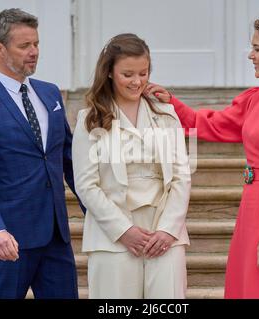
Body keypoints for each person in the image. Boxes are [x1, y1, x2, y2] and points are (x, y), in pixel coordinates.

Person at [147, 16, 259, 298]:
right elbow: (213, 124)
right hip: (251, 209)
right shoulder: (256, 98)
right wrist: (172, 103)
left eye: (257, 49)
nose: (250, 55)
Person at [0, 8, 84, 299]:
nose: (34, 52)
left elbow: (70, 161)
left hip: (56, 238)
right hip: (6, 242)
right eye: (24, 45)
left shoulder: (51, 94)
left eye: (36, 44)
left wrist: (98, 212)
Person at [72, 33, 191, 299]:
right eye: (128, 74)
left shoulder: (166, 113)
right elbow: (86, 185)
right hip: (112, 236)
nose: (137, 81)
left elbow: (182, 177)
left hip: (165, 234)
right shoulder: (89, 120)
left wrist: (168, 230)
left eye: (143, 73)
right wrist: (123, 231)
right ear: (110, 73)